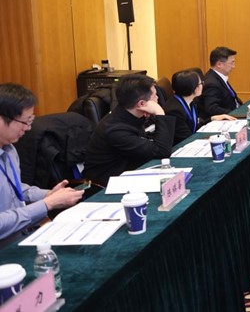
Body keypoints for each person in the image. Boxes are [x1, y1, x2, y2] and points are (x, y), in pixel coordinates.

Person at [0, 84, 83, 240]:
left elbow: (15, 189)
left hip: (22, 235)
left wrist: (48, 194)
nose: (28, 128)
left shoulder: (9, 149)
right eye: (25, 122)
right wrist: (46, 204)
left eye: (31, 121)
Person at [84, 75, 176, 186]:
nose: (157, 99)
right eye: (155, 96)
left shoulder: (129, 113)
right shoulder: (115, 130)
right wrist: (159, 113)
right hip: (107, 185)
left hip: (132, 170)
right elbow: (162, 151)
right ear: (141, 104)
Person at [165, 69, 236, 145]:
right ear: (194, 88)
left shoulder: (190, 101)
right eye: (201, 83)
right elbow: (186, 138)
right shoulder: (175, 111)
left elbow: (194, 125)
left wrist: (212, 118)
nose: (203, 85)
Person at [199, 46, 242, 118]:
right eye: (231, 63)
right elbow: (212, 108)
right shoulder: (211, 83)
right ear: (219, 64)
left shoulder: (219, 77)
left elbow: (233, 99)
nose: (233, 66)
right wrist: (234, 114)